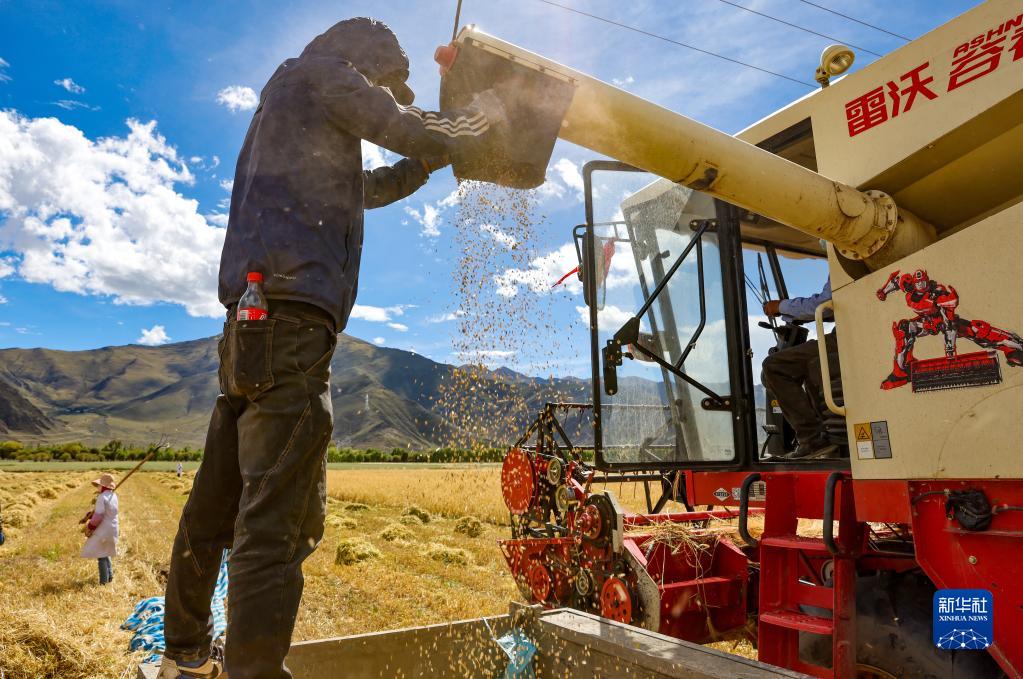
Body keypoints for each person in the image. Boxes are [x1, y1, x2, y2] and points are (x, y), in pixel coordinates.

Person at [159, 17, 500, 679]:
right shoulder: (322, 74)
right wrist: (482, 117)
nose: (384, 96)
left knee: (216, 505)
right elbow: (405, 125)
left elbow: (362, 189)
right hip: (290, 329)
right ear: (364, 64)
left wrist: (423, 166)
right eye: (383, 84)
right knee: (278, 522)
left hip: (250, 329)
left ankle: (186, 651)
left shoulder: (287, 105)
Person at [761, 279, 839, 459]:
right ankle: (826, 436)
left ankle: (812, 439)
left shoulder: (844, 265)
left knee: (775, 366)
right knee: (811, 364)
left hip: (847, 336)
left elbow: (825, 303)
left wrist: (781, 306)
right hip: (855, 332)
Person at [80, 472, 119, 585]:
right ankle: (110, 576)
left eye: (98, 485)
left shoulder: (102, 497)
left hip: (103, 529)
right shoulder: (113, 496)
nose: (97, 487)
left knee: (100, 555)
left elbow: (98, 516)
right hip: (113, 528)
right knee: (105, 552)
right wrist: (89, 515)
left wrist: (89, 527)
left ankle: (103, 582)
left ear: (103, 486)